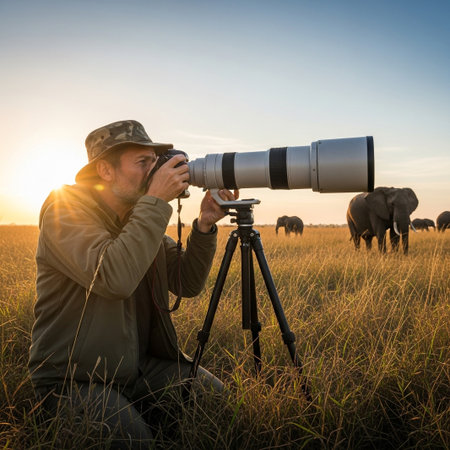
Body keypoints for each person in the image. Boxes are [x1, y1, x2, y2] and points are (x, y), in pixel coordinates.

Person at [28, 120, 238, 448]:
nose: (154, 171)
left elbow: (187, 282)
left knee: (218, 404)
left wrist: (205, 225)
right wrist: (154, 203)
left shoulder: (137, 216)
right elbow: (114, 278)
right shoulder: (65, 211)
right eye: (143, 163)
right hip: (74, 379)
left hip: (138, 369)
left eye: (154, 162)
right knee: (135, 442)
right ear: (106, 171)